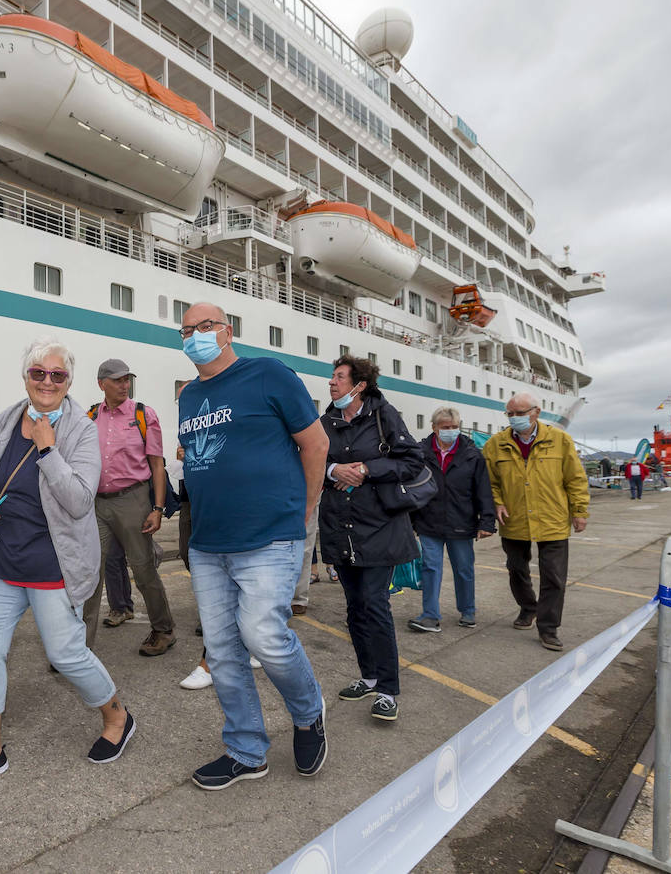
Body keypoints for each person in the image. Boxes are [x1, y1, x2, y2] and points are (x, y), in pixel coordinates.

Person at [0, 339, 134, 793]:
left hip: (53, 566)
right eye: (37, 373)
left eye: (57, 375)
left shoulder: (81, 430)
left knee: (66, 655)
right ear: (26, 376)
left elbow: (80, 499)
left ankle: (117, 715)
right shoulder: (8, 420)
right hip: (4, 563)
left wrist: (49, 453)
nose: (46, 382)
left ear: (69, 380)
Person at [177, 304, 329, 787]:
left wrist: (301, 513)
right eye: (186, 330)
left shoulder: (267, 374)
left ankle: (308, 713)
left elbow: (316, 444)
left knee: (263, 636)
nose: (195, 335)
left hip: (268, 536)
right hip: (208, 543)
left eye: (205, 326)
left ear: (228, 330)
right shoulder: (189, 397)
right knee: (221, 651)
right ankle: (246, 750)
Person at [319, 355, 423, 723]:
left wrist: (366, 468)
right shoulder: (326, 420)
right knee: (354, 607)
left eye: (339, 377)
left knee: (374, 604)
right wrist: (333, 469)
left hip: (378, 526)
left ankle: (388, 690)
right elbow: (310, 460)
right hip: (340, 526)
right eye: (332, 377)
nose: (331, 383)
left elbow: (413, 461)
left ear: (359, 385)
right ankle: (369, 675)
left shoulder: (384, 415)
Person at [82, 358, 175, 656]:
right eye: (118, 380)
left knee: (143, 567)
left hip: (133, 500)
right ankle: (79, 647)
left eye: (127, 380)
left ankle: (163, 629)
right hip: (97, 503)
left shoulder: (143, 414)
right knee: (90, 573)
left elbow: (157, 466)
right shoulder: (91, 416)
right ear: (102, 384)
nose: (124, 385)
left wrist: (157, 509)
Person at [484, 392, 590, 652]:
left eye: (520, 413)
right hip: (514, 518)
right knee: (517, 569)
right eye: (510, 414)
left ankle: (549, 627)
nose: (515, 418)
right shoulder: (495, 444)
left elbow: (575, 478)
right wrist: (497, 502)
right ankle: (528, 608)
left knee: (554, 576)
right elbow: (489, 482)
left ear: (536, 412)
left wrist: (579, 511)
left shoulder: (560, 440)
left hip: (552, 518)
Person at [408, 407, 496, 633]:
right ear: (435, 428)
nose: (450, 431)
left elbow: (483, 490)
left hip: (462, 521)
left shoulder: (472, 454)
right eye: (445, 428)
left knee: (464, 569)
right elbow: (411, 486)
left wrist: (487, 521)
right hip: (429, 521)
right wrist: (410, 520)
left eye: (454, 427)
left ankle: (468, 611)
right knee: (430, 568)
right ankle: (430, 615)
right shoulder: (421, 452)